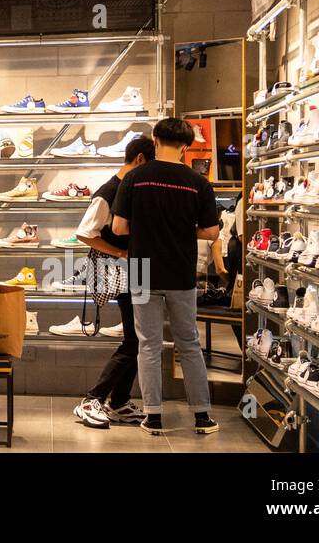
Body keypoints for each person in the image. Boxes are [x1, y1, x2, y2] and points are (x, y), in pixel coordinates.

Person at [112, 118, 222, 435]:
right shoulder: (198, 183)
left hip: (143, 270)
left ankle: (153, 416)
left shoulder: (135, 178)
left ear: (155, 139)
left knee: (148, 345)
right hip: (180, 271)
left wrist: (147, 229)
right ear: (186, 146)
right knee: (188, 344)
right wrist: (183, 230)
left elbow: (119, 228)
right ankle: (202, 416)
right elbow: (212, 232)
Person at [71, 137, 155, 429]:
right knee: (135, 339)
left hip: (132, 269)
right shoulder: (109, 191)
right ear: (141, 160)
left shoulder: (128, 188)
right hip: (120, 269)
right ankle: (93, 399)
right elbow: (84, 233)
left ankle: (117, 401)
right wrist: (121, 251)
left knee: (138, 339)